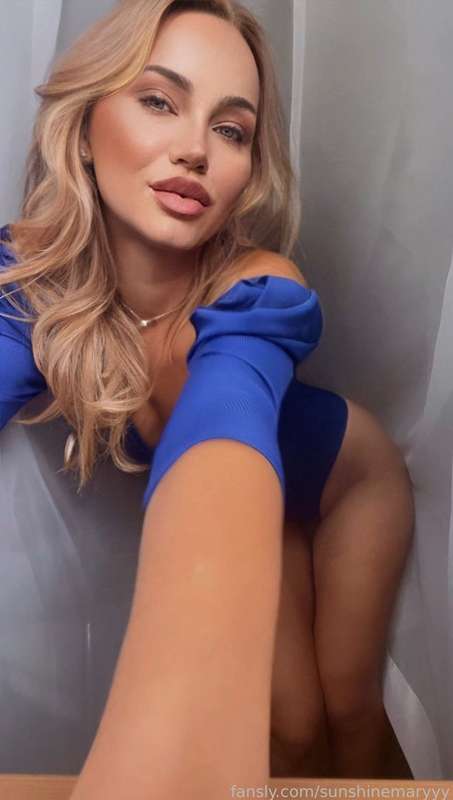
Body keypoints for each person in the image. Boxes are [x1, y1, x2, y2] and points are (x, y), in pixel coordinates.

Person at [0, 0, 415, 794]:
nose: (194, 149)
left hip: (346, 488)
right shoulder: (30, 286)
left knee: (347, 709)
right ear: (84, 126)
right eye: (159, 101)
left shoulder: (258, 291)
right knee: (290, 728)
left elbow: (224, 414)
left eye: (230, 129)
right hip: (249, 502)